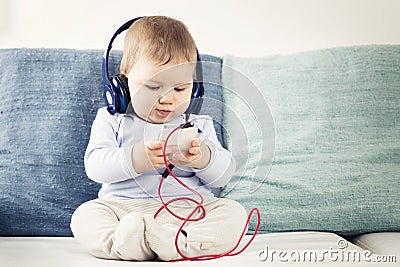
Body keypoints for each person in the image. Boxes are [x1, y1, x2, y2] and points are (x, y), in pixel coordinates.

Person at [70, 16, 247, 261]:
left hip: (188, 210)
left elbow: (224, 175)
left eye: (179, 89)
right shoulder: (112, 119)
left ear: (194, 88)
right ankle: (128, 242)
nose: (167, 99)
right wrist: (134, 159)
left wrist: (203, 159)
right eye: (153, 87)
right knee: (85, 215)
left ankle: (179, 243)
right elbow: (95, 166)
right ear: (124, 82)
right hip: (124, 210)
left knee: (233, 213)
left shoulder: (198, 124)